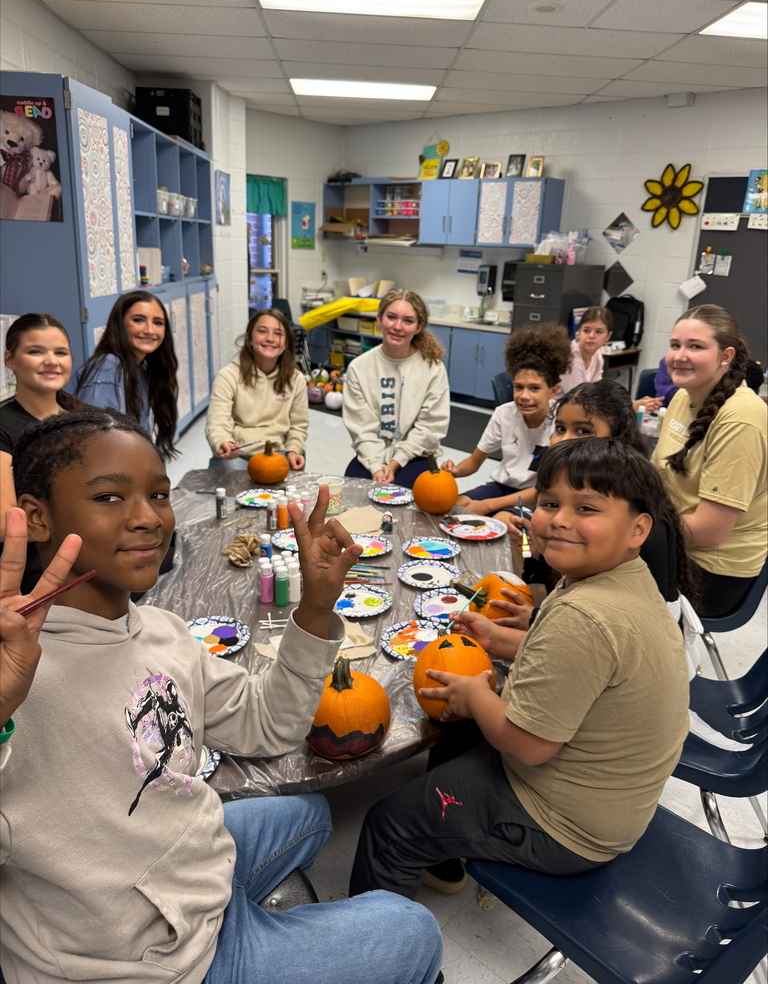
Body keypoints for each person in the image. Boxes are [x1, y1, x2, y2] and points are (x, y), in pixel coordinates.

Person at [0, 408, 443, 984]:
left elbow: (269, 724)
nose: (147, 519)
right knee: (412, 928)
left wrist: (313, 608)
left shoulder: (161, 630)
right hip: (152, 964)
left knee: (307, 812)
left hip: (181, 871)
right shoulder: (17, 681)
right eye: (109, 498)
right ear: (35, 518)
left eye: (158, 494)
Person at [348, 438, 689, 900]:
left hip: (565, 825)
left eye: (587, 508)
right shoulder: (623, 581)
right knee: (464, 733)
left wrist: (474, 697)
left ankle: (384, 962)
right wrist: (500, 641)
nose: (561, 519)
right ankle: (445, 849)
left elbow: (528, 745)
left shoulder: (583, 618)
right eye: (550, 503)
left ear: (637, 529)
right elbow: (580, 666)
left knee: (388, 824)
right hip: (612, 798)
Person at [492, 381, 698, 646]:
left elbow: (620, 627)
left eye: (583, 430)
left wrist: (535, 618)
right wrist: (541, 549)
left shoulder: (643, 522)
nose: (563, 440)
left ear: (617, 438)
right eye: (560, 428)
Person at [652, 304, 767, 618]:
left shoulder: (740, 419)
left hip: (712, 571)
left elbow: (709, 531)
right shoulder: (682, 395)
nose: (680, 355)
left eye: (696, 346)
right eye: (675, 345)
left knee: (593, 568)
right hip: (675, 541)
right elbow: (654, 474)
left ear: (726, 356)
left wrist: (631, 528)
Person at [442, 323, 571, 514]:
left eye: (534, 388)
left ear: (553, 391)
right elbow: (475, 461)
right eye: (519, 387)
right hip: (500, 486)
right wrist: (455, 472)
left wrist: (489, 505)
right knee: (454, 507)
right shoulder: (504, 414)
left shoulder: (562, 423)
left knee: (503, 519)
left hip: (537, 496)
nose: (524, 396)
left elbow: (549, 488)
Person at [0, 313, 85, 592]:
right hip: (35, 568)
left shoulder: (84, 418)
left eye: (61, 352)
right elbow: (7, 524)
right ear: (9, 360)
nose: (52, 361)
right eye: (36, 351)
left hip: (91, 547)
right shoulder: (4, 426)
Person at [342, 290, 449, 487]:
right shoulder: (359, 368)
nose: (398, 327)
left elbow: (430, 427)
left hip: (415, 456)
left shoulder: (432, 367)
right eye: (391, 318)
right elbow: (362, 429)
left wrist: (394, 464)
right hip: (371, 455)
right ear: (379, 319)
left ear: (419, 327)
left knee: (409, 496)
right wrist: (376, 466)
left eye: (408, 321)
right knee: (353, 491)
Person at [71, 290, 179, 460]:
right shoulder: (108, 366)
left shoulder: (143, 369)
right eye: (138, 320)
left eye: (158, 323)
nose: (150, 330)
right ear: (120, 324)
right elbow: (96, 443)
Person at [205, 308, 308, 470]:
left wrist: (294, 450)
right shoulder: (228, 376)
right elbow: (217, 423)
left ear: (286, 343)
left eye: (278, 334)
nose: (270, 339)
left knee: (287, 485)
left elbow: (298, 426)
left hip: (278, 452)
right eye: (262, 331)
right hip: (239, 453)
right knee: (232, 481)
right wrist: (224, 442)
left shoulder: (296, 379)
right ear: (249, 339)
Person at [555, 306, 612, 398]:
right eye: (586, 330)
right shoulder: (570, 356)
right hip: (556, 408)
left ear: (608, 336)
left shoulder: (597, 357)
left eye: (598, 332)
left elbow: (596, 392)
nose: (591, 336)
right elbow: (577, 398)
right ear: (579, 331)